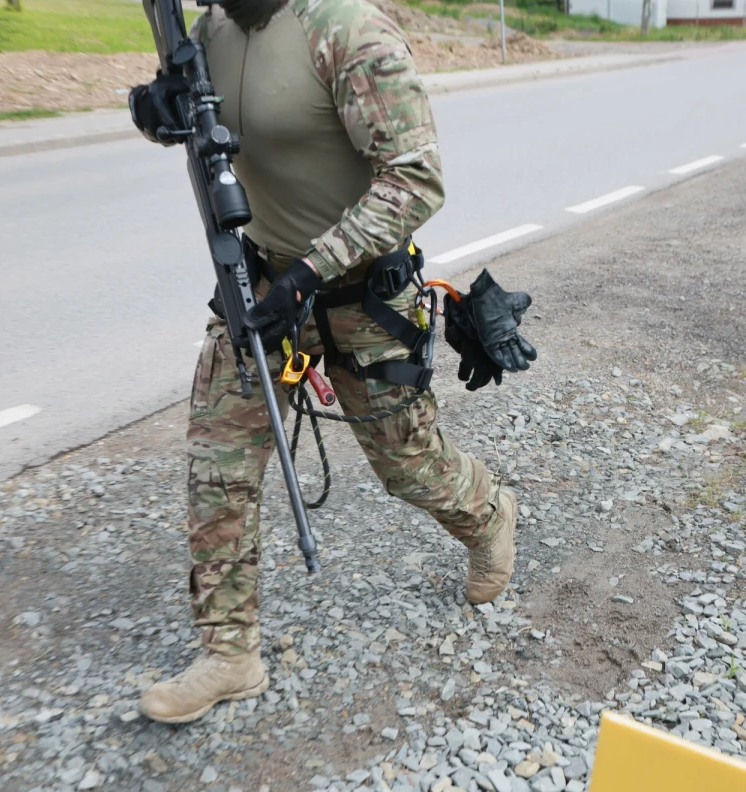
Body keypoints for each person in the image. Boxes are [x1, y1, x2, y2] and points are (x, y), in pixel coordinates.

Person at [125, 0, 532, 725]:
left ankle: (489, 513)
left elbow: (416, 177)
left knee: (407, 465)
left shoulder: (344, 29)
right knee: (220, 461)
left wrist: (310, 274)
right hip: (260, 289)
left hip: (358, 290)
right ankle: (230, 653)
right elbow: (207, 126)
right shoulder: (211, 30)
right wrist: (158, 115)